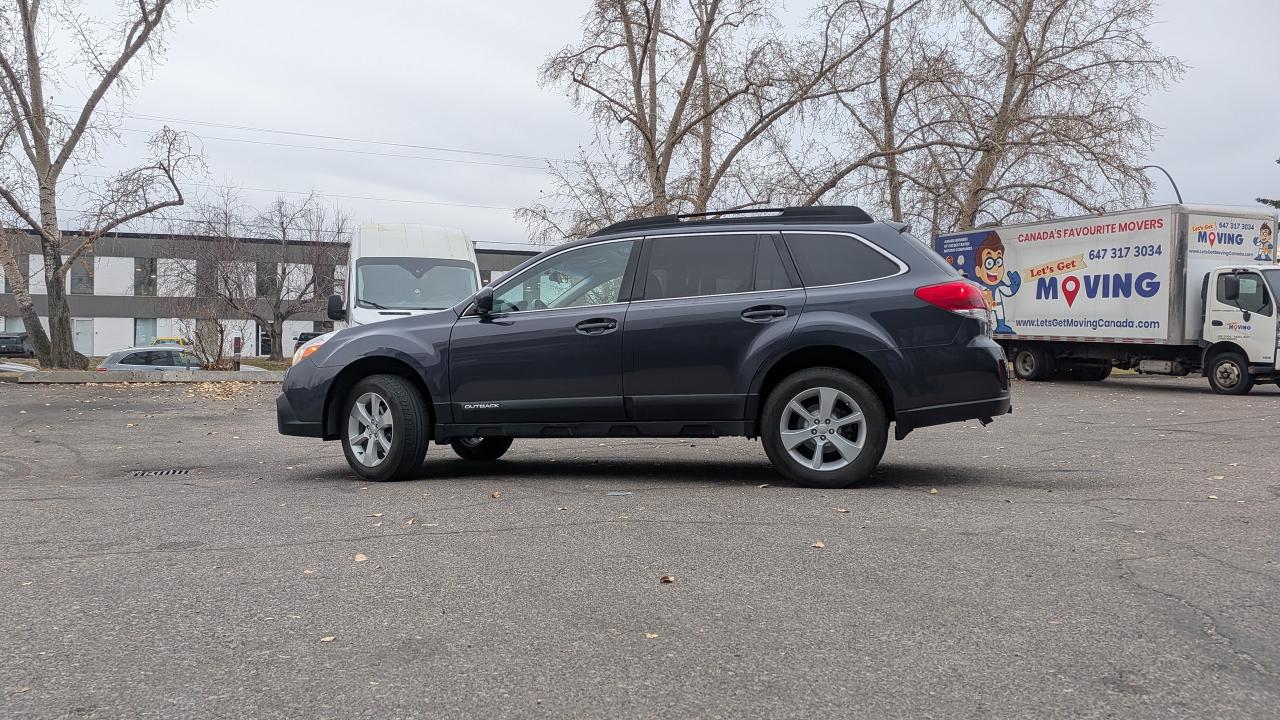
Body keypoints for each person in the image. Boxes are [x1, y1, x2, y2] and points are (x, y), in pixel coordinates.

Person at [973, 231, 1021, 334]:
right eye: (989, 263)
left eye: (998, 262)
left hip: (997, 303)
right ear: (978, 270)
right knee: (987, 313)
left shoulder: (1000, 285)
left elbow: (1008, 291)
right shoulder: (981, 286)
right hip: (988, 302)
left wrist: (1015, 285)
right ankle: (985, 327)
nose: (995, 267)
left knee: (999, 313)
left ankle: (1001, 325)